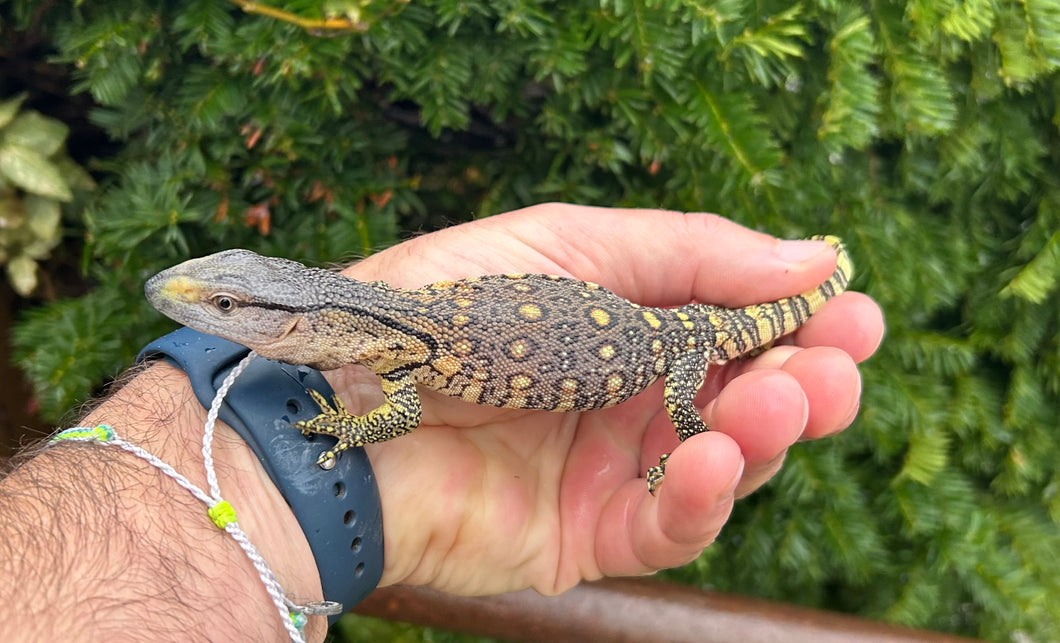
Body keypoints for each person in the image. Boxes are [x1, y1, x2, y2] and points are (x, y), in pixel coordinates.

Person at [0, 204, 884, 642]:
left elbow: (410, 409)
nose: (196, 306)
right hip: (629, 330)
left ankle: (792, 320)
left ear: (299, 319)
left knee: (692, 422)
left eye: (228, 302)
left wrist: (347, 433)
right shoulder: (393, 325)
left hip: (679, 345)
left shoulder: (399, 347)